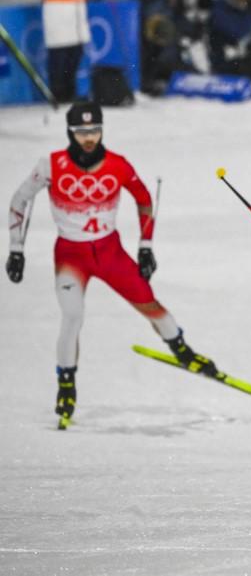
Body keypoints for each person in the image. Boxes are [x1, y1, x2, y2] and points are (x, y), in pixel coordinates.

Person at [5, 102, 217, 429]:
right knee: (72, 316)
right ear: (70, 133)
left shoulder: (118, 165)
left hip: (110, 252)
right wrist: (16, 249)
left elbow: (144, 198)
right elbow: (20, 199)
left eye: (94, 131)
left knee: (148, 301)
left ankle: (183, 351)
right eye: (81, 132)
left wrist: (145, 247)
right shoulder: (50, 165)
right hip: (71, 255)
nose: (88, 138)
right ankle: (66, 385)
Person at [36, 0, 93, 103]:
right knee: (59, 53)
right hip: (58, 9)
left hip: (77, 8)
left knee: (76, 52)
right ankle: (58, 93)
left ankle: (70, 91)